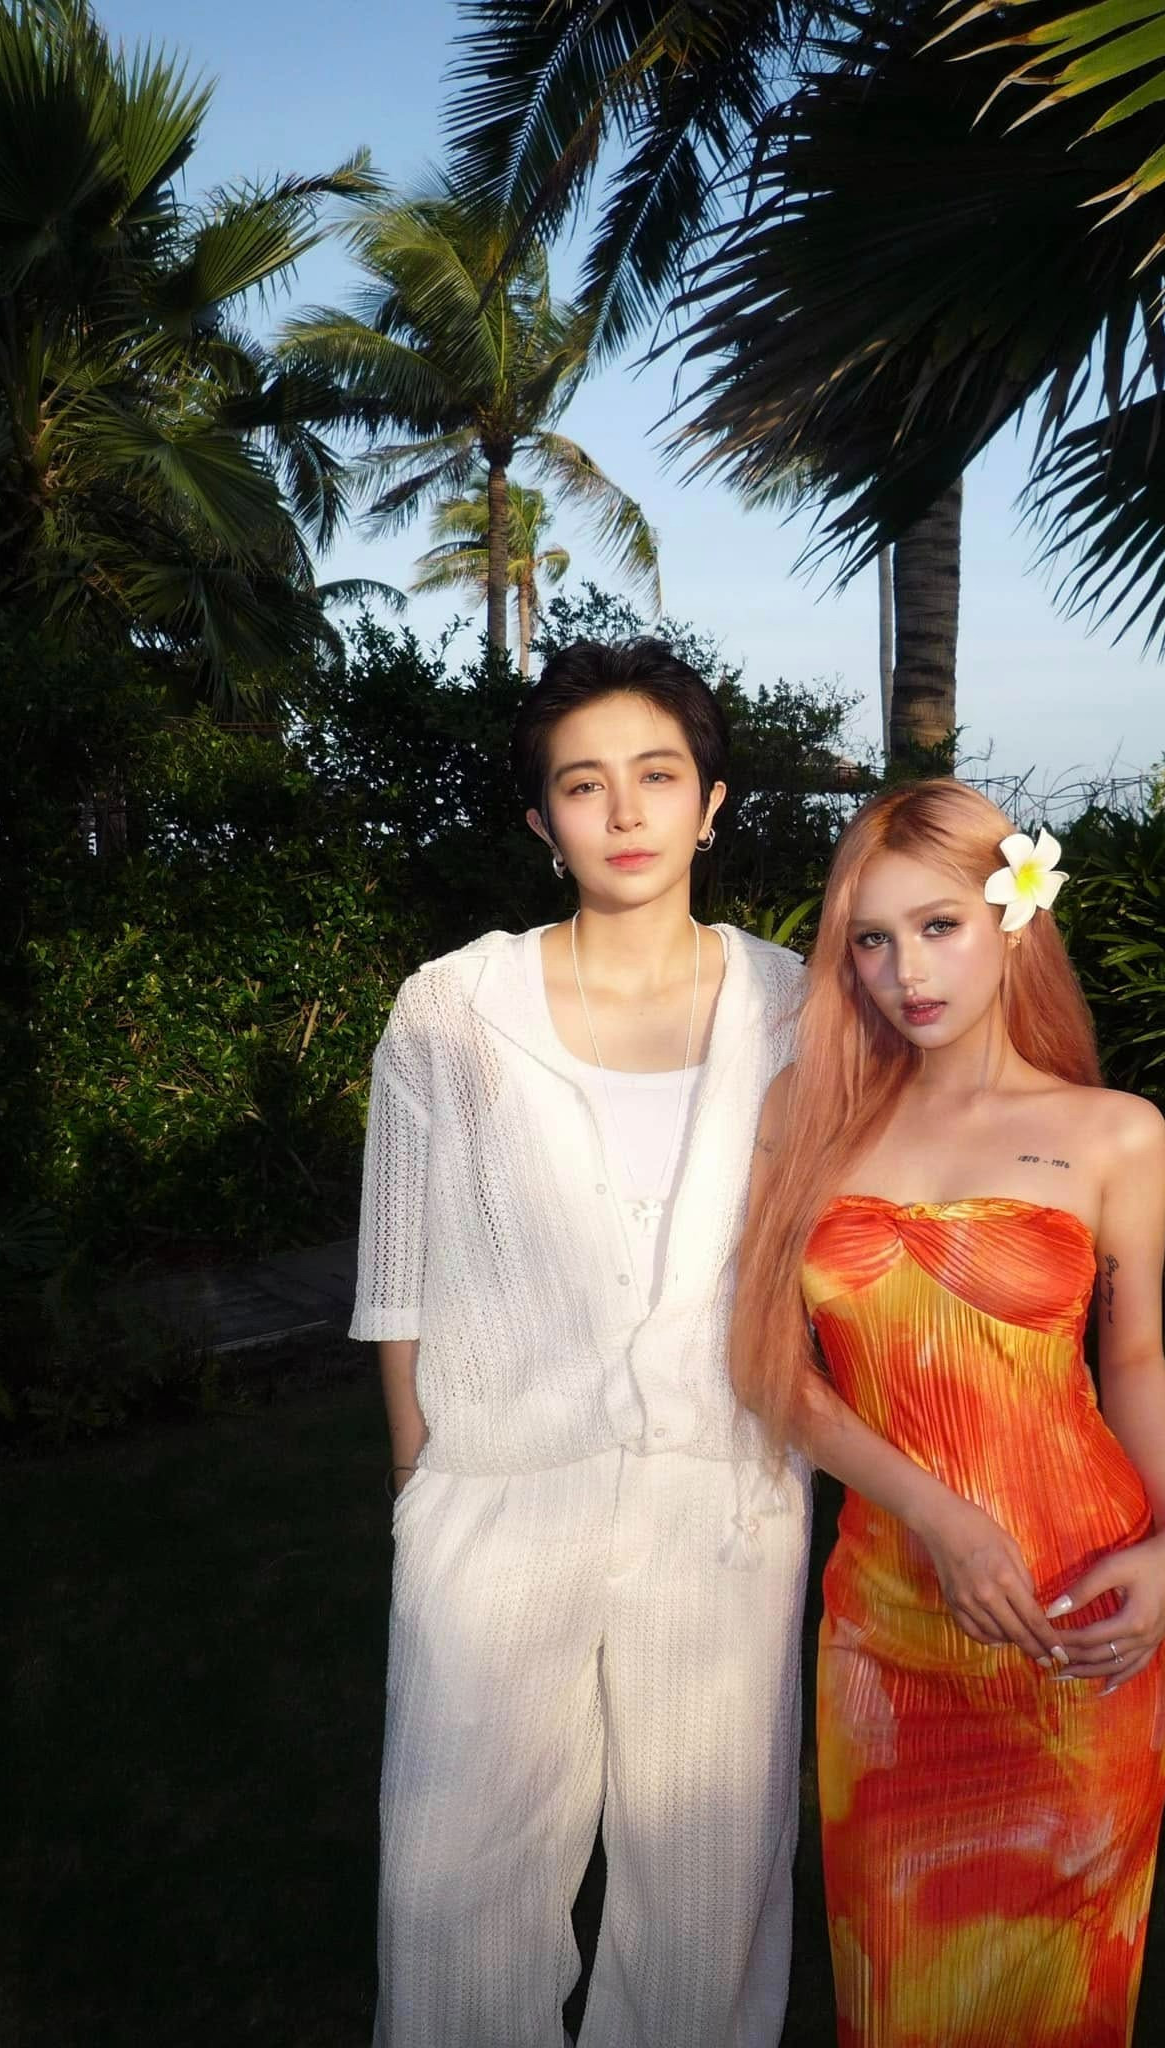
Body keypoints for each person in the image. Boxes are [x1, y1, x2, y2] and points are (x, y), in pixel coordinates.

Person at [350, 638, 811, 2048]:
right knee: (452, 1889)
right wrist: (423, 1484)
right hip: (498, 1495)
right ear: (542, 820)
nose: (623, 811)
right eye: (583, 783)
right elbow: (398, 1280)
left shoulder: (797, 1006)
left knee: (704, 1887)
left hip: (726, 1498)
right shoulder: (453, 1009)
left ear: (711, 804)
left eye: (657, 775)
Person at [733, 777, 1165, 2048]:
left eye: (939, 925)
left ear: (1012, 917)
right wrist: (934, 1513)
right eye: (871, 940)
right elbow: (771, 1366)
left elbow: (1136, 1359)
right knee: (895, 1986)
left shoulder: (1114, 1132)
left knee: (1060, 1998)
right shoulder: (808, 1115)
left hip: (1081, 1615)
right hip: (887, 1625)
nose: (906, 971)